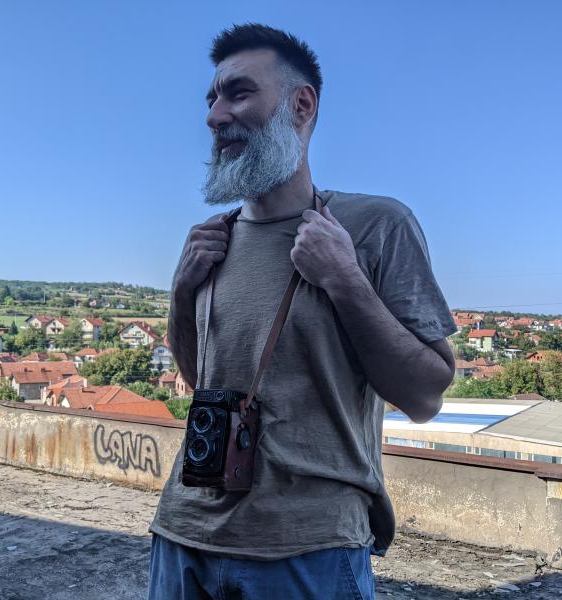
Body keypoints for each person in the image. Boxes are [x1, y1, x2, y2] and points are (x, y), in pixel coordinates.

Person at [148, 23, 457, 600]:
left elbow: (426, 396)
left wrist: (344, 277)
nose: (216, 116)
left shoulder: (374, 226)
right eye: (212, 99)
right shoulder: (212, 239)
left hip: (307, 549)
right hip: (181, 535)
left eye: (239, 93)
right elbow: (202, 383)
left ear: (301, 104)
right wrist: (181, 292)